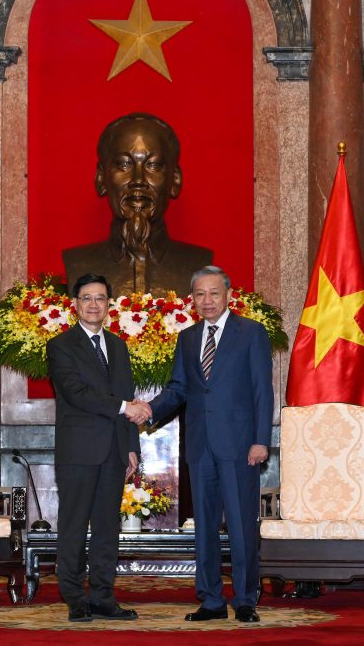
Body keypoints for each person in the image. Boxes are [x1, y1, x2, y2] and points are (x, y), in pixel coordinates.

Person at [126, 266, 273, 623]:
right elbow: (179, 389)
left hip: (240, 447)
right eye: (199, 295)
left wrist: (260, 442)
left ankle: (244, 599)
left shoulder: (251, 333)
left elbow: (261, 391)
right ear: (192, 299)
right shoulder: (188, 338)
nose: (207, 301)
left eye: (214, 294)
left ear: (227, 294)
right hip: (201, 446)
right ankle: (210, 600)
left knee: (240, 527)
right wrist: (149, 410)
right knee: (204, 527)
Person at [47, 273, 149, 622]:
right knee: (74, 525)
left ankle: (104, 596)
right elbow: (78, 394)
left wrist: (131, 446)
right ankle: (75, 597)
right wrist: (125, 408)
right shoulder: (61, 345)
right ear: (75, 304)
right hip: (78, 450)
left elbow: (127, 393)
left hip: (114, 451)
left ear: (109, 305)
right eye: (87, 298)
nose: (94, 304)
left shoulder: (118, 346)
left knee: (108, 528)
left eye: (100, 298)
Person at [63, 113, 212, 297]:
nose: (138, 180)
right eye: (124, 164)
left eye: (153, 165)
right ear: (101, 178)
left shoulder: (198, 263)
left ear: (175, 180)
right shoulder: (77, 262)